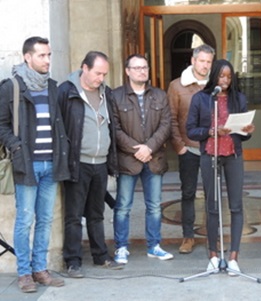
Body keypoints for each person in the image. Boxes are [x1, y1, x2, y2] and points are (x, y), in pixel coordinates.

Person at [0, 36, 69, 293]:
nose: (47, 60)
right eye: (42, 55)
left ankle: (40, 269)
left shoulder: (53, 87)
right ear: (28, 57)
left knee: (46, 219)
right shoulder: (11, 87)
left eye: (49, 55)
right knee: (24, 219)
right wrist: (16, 147)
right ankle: (24, 273)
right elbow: (1, 125)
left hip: (51, 164)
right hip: (26, 165)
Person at [186, 59, 255, 275]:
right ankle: (213, 255)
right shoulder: (201, 99)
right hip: (210, 154)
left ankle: (233, 256)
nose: (225, 80)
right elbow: (191, 130)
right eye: (221, 76)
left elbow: (243, 136)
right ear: (214, 76)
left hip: (233, 155)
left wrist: (247, 130)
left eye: (228, 77)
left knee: (236, 205)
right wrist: (210, 132)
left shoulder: (239, 98)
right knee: (212, 205)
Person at [58, 51, 123, 278]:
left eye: (104, 74)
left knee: (96, 213)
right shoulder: (66, 92)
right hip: (78, 162)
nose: (101, 78)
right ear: (84, 68)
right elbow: (60, 128)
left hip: (101, 163)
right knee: (74, 215)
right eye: (97, 73)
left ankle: (101, 255)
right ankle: (73, 261)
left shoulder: (107, 93)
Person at [112, 54, 173, 264]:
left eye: (144, 67)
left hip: (154, 159)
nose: (142, 71)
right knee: (122, 206)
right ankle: (121, 247)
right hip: (128, 161)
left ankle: (154, 246)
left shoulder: (159, 95)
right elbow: (115, 128)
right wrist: (136, 149)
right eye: (136, 68)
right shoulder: (115, 96)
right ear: (127, 71)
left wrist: (149, 147)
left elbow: (166, 124)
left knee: (155, 205)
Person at [167, 44, 215, 254]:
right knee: (188, 194)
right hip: (189, 149)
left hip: (212, 149)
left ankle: (214, 237)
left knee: (212, 195)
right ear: (193, 61)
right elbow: (171, 118)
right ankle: (188, 237)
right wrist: (179, 147)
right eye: (202, 61)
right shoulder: (177, 86)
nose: (205, 65)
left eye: (208, 62)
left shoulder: (217, 85)